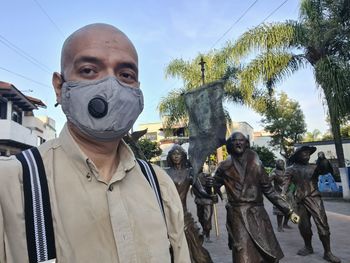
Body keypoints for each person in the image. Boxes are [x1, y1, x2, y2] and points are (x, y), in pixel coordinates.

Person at [0, 23, 190, 263]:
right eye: (89, 70)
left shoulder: (160, 186)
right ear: (59, 87)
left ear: (138, 91)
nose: (111, 87)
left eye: (126, 75)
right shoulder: (9, 184)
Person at [212, 132, 299, 263]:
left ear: (246, 143)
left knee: (265, 253)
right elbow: (215, 184)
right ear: (230, 144)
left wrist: (288, 210)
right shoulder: (224, 166)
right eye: (234, 141)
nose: (238, 143)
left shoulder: (256, 164)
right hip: (237, 215)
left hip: (257, 214)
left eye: (241, 140)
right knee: (241, 252)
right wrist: (214, 192)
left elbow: (269, 190)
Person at [284, 146, 341, 263]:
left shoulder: (314, 167)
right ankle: (308, 247)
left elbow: (326, 170)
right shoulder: (291, 169)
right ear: (297, 156)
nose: (306, 154)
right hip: (299, 200)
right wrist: (283, 195)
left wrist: (323, 160)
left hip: (314, 198)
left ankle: (328, 252)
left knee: (322, 223)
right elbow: (285, 185)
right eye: (303, 153)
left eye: (308, 153)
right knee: (303, 226)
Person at [165, 144, 213, 263]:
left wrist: (210, 195)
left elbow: (200, 191)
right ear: (170, 157)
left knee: (193, 243)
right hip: (168, 214)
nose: (176, 156)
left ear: (183, 156)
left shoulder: (190, 173)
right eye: (173, 154)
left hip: (183, 214)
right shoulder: (165, 173)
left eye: (178, 154)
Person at [269, 159, 292, 232]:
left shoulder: (286, 171)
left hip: (288, 192)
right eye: (280, 163)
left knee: (289, 209)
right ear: (276, 164)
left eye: (283, 163)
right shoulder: (274, 172)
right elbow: (268, 181)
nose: (282, 164)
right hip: (278, 193)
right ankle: (279, 226)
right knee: (280, 210)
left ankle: (285, 224)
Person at [194, 172, 214, 242]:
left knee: (207, 218)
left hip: (208, 201)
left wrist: (213, 185)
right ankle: (205, 230)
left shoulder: (207, 176)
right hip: (199, 200)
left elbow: (214, 188)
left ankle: (207, 234)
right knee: (200, 217)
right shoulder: (193, 176)